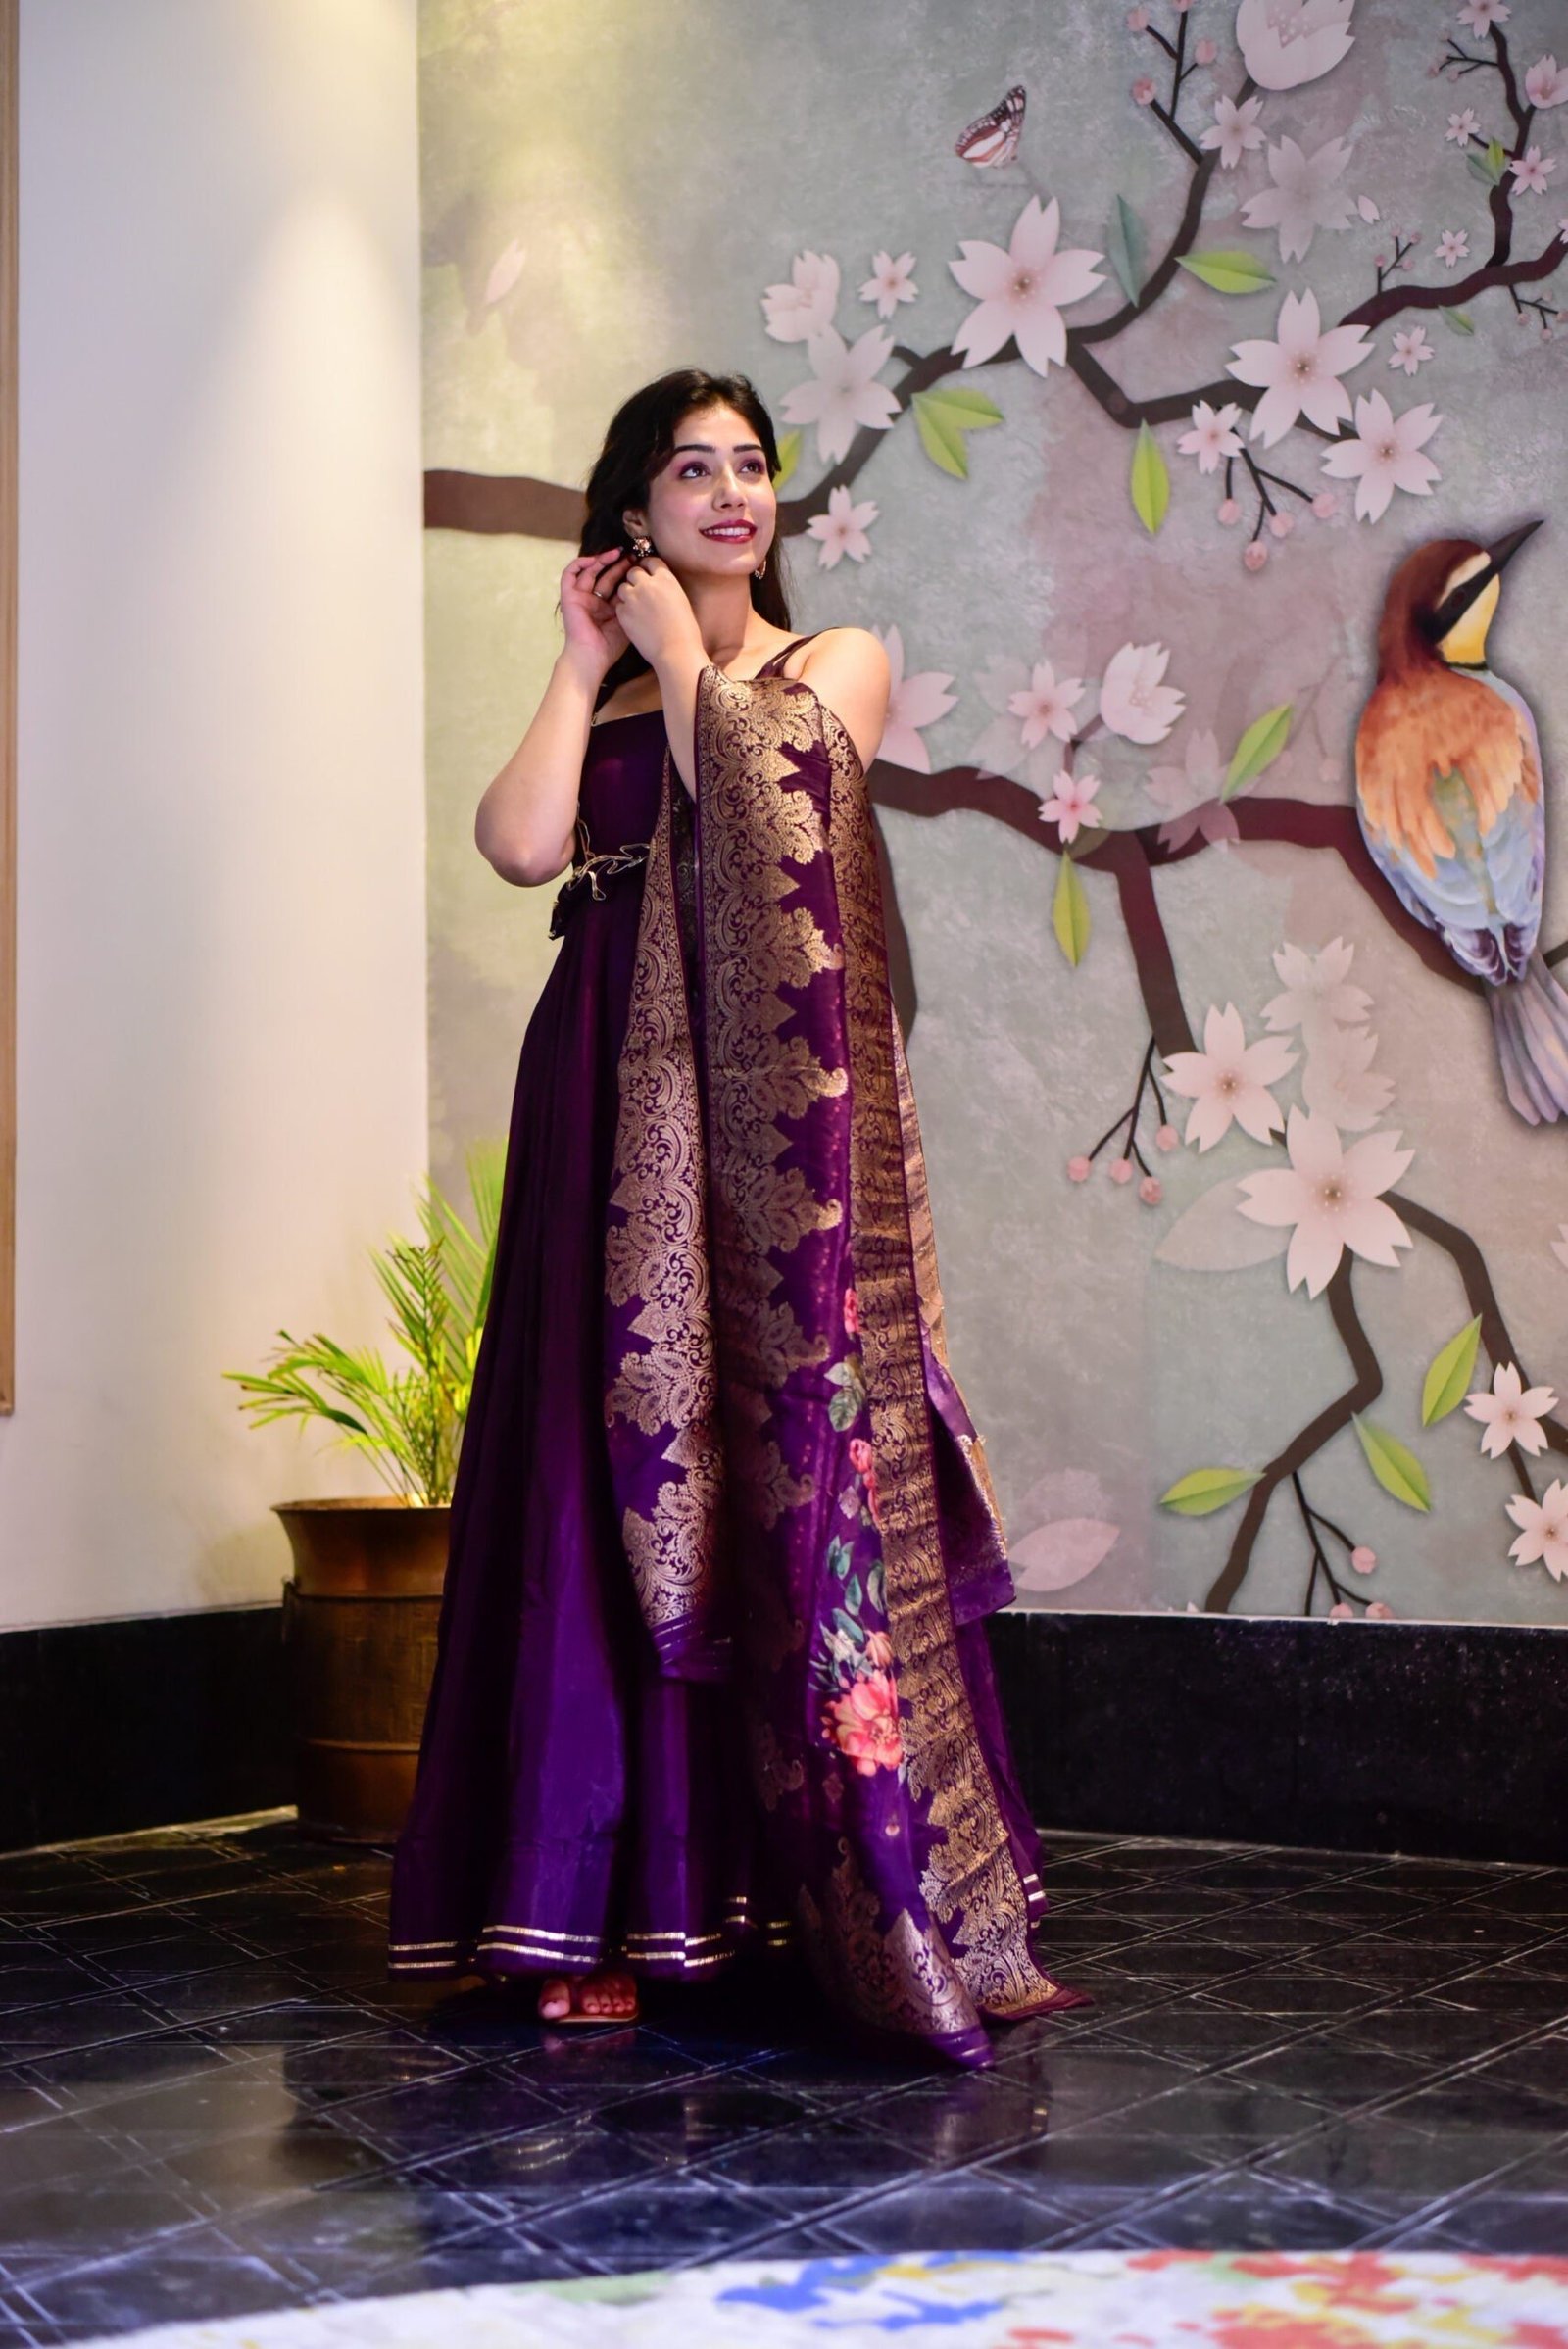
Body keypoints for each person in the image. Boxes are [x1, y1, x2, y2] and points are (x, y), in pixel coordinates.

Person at [387, 367, 1086, 2069]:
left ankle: (828, 1891)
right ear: (632, 508)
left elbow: (774, 813)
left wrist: (685, 657)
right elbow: (519, 846)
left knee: (782, 1449)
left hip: (768, 1112)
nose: (728, 493)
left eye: (750, 465)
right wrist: (582, 663)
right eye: (689, 469)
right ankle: (593, 1902)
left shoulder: (826, 661)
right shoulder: (619, 684)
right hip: (607, 1086)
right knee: (594, 1453)